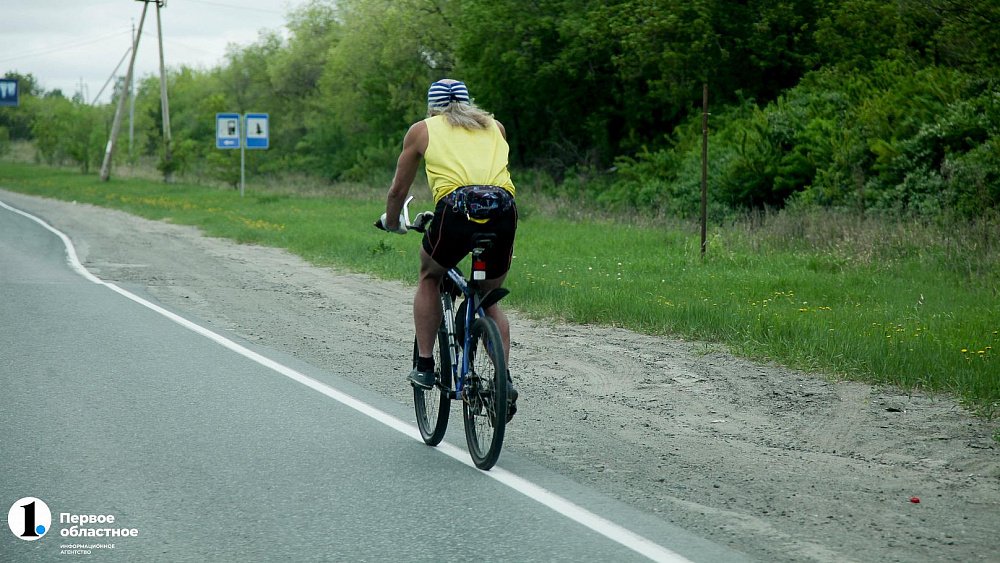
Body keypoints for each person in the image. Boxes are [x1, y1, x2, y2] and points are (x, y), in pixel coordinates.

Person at [378, 78, 518, 420]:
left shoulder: (422, 130)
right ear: (468, 103)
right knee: (488, 295)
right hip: (503, 210)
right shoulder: (496, 127)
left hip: (457, 211)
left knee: (430, 274)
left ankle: (426, 365)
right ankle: (503, 380)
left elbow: (398, 191)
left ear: (432, 107)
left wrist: (393, 221)